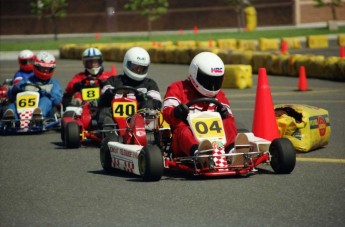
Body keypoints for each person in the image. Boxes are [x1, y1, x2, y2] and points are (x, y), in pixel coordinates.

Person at [162, 52, 237, 157]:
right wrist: (176, 112)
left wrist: (224, 114)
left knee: (228, 122)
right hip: (185, 142)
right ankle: (199, 154)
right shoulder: (178, 88)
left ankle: (232, 151)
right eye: (208, 80)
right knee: (182, 128)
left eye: (216, 81)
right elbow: (166, 113)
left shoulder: (219, 95)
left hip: (217, 141)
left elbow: (229, 117)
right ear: (194, 73)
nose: (212, 85)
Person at [97, 46, 162, 128]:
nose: (138, 70)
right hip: (114, 122)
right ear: (126, 63)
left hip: (140, 123)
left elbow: (157, 104)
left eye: (141, 68)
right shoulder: (113, 81)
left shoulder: (150, 84)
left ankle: (145, 133)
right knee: (104, 111)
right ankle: (108, 134)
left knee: (149, 105)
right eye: (135, 66)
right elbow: (102, 101)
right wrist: (109, 94)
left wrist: (143, 98)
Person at [2, 51, 62, 121]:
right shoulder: (26, 81)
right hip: (23, 110)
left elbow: (57, 100)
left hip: (46, 113)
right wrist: (14, 89)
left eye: (48, 69)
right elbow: (10, 93)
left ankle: (38, 114)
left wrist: (45, 93)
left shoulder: (54, 84)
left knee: (46, 100)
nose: (45, 71)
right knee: (13, 103)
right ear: (36, 67)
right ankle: (10, 117)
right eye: (43, 68)